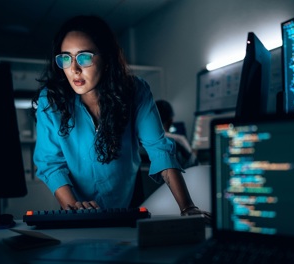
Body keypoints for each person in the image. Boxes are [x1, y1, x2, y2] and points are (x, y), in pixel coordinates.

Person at [32, 15, 211, 223]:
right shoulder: (50, 100)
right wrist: (74, 210)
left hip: (127, 199)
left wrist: (187, 207)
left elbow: (159, 149)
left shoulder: (136, 91)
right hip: (76, 205)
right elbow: (50, 163)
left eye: (84, 57)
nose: (74, 69)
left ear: (107, 58)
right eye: (65, 58)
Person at [156, 99, 199, 169]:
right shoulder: (179, 140)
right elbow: (194, 165)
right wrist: (194, 153)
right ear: (171, 120)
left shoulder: (139, 142)